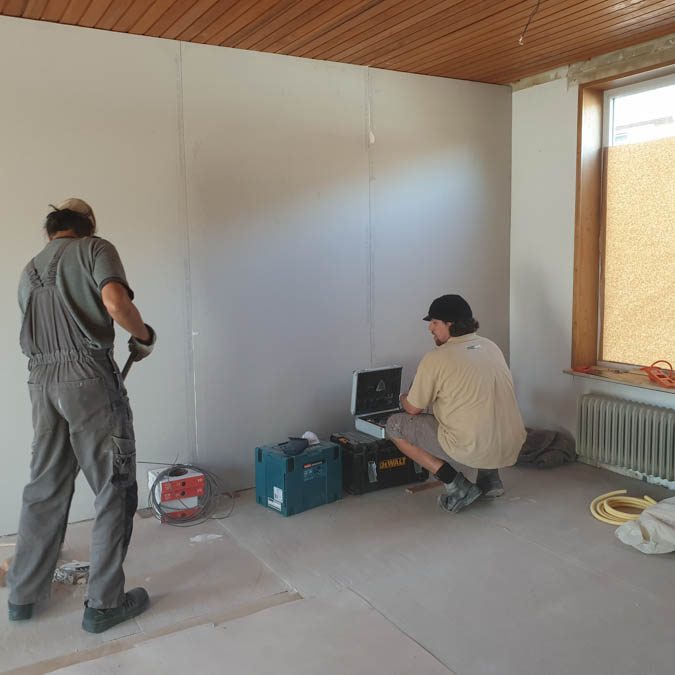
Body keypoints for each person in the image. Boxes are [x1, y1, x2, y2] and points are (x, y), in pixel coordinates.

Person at [8, 198, 156, 633]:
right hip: (87, 379)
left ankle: (22, 595)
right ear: (87, 227)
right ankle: (104, 604)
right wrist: (144, 335)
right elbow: (115, 302)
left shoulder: (28, 270)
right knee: (114, 486)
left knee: (44, 487)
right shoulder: (95, 249)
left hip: (41, 383)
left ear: (51, 231)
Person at [386, 294, 526, 513]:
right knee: (476, 407)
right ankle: (490, 480)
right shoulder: (490, 346)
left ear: (450, 324)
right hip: (511, 441)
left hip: (472, 446)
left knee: (394, 425)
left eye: (434, 322)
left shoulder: (436, 358)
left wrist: (403, 397)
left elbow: (413, 408)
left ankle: (456, 484)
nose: (430, 328)